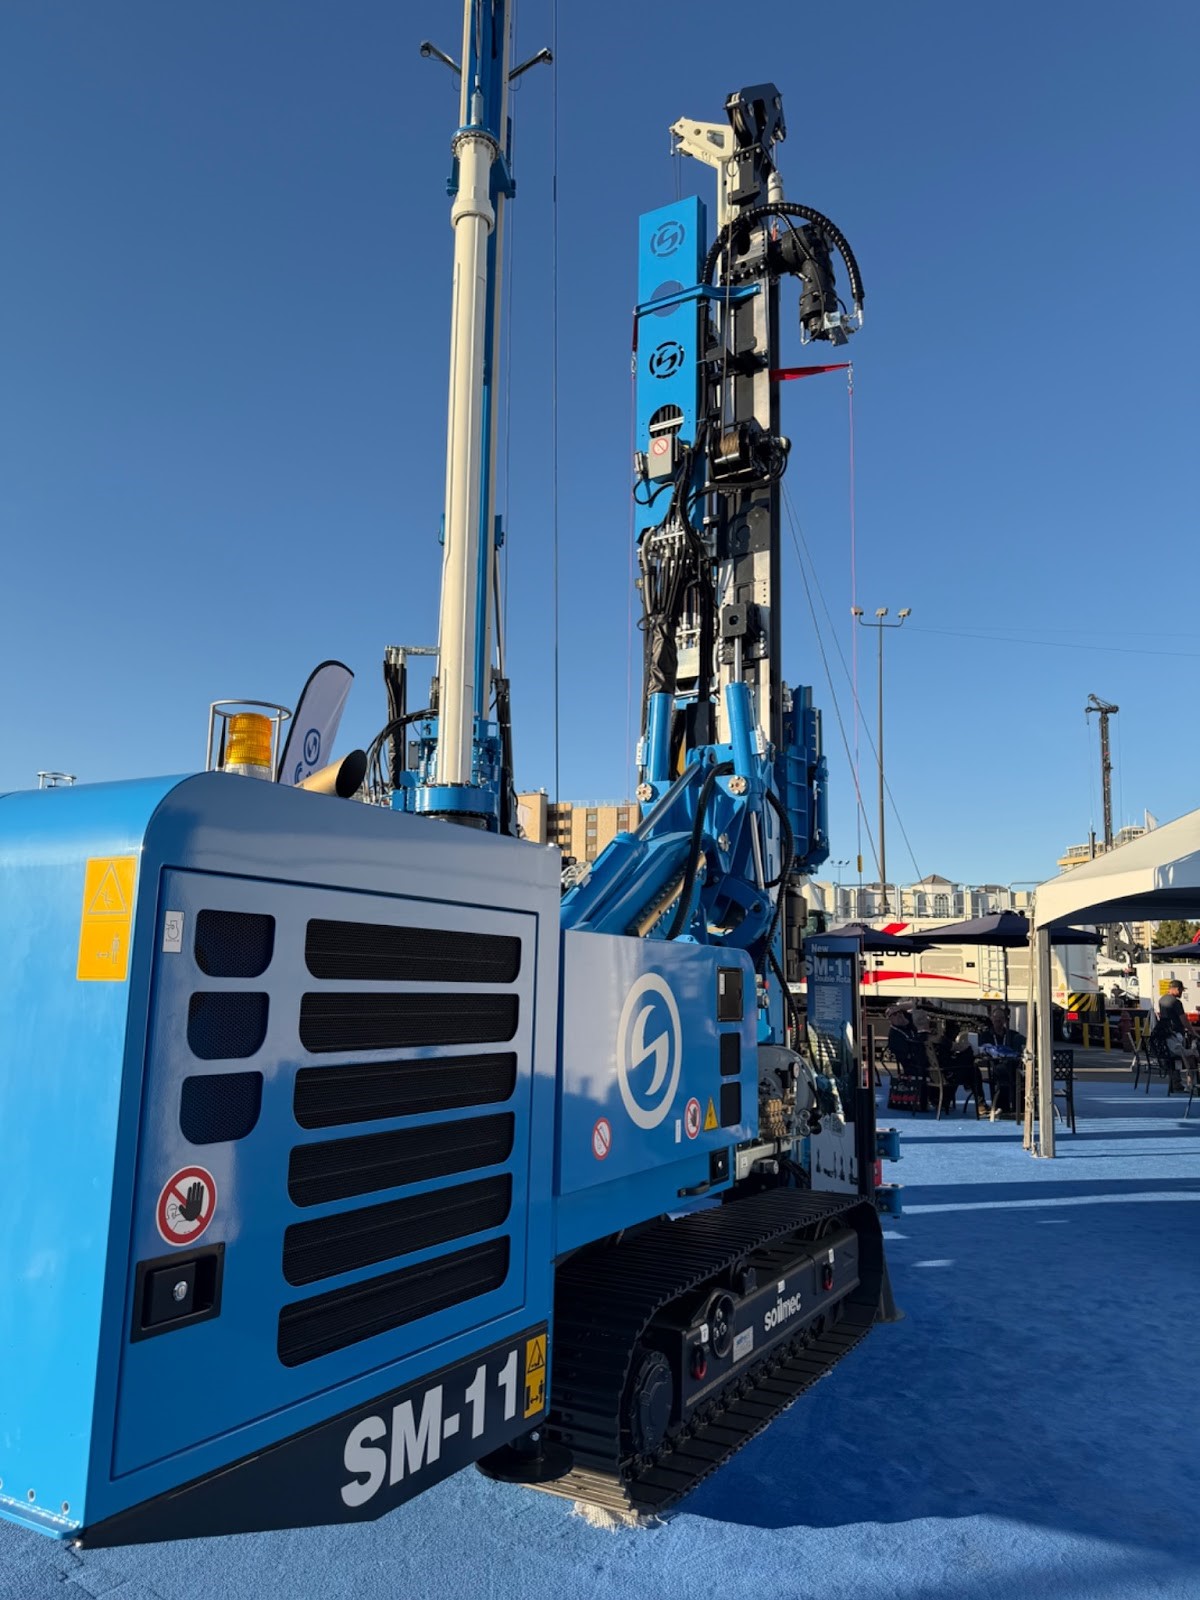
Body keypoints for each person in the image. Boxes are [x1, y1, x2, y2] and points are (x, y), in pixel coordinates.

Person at [977, 1004, 1025, 1118]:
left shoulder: (1012, 1035)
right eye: (996, 1019)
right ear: (992, 1020)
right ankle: (1003, 1107)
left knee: (1022, 1077)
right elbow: (981, 1051)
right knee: (1002, 1073)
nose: (998, 1022)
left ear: (1004, 1020)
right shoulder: (985, 1035)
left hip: (1012, 1066)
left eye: (1000, 1019)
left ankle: (1021, 1107)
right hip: (995, 1066)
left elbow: (1023, 1045)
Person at [1154, 980, 1199, 1087]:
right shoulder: (1176, 1002)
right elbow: (1184, 1020)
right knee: (1189, 1056)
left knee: (1173, 1059)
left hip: (1166, 1033)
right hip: (1177, 1034)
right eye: (1180, 990)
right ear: (1176, 989)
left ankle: (1175, 1082)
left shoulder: (1162, 999)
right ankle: (1192, 1083)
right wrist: (1193, 1032)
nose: (1181, 993)